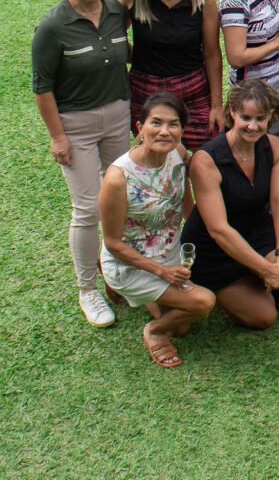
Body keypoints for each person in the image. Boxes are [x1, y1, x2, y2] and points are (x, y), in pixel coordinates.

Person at [32, 0, 131, 328]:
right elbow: (42, 89)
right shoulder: (53, 26)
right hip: (75, 126)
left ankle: (116, 273)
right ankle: (87, 288)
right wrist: (58, 138)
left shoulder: (114, 13)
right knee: (88, 208)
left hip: (118, 118)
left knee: (120, 200)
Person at [99, 93, 215, 368]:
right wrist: (162, 272)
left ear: (182, 130)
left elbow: (184, 197)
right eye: (156, 123)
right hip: (130, 262)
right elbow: (114, 242)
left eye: (173, 124)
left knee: (182, 327)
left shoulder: (178, 154)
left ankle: (148, 300)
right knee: (203, 302)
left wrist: (201, 230)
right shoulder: (118, 178)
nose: (164, 131)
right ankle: (154, 330)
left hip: (169, 252)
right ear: (140, 127)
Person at [183, 79, 279, 326]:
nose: (253, 126)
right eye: (246, 117)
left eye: (260, 119)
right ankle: (245, 283)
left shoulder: (275, 147)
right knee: (264, 317)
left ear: (270, 116)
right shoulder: (206, 160)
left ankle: (263, 280)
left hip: (256, 229)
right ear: (232, 111)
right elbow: (218, 230)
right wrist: (266, 269)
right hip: (215, 248)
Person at [121, 0, 223, 151]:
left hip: (193, 90)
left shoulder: (204, 1)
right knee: (154, 160)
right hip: (145, 89)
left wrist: (216, 106)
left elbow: (212, 54)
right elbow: (115, 36)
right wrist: (129, 53)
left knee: (204, 158)